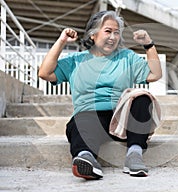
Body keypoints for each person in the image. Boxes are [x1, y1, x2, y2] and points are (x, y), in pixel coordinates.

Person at [38, 10, 162, 179]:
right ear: (93, 35)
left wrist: (148, 44)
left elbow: (155, 74)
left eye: (116, 32)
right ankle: (85, 159)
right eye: (108, 31)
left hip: (121, 120)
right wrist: (62, 41)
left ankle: (134, 154)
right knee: (81, 121)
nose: (113, 37)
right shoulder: (76, 60)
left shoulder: (126, 57)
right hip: (89, 118)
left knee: (141, 98)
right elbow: (44, 73)